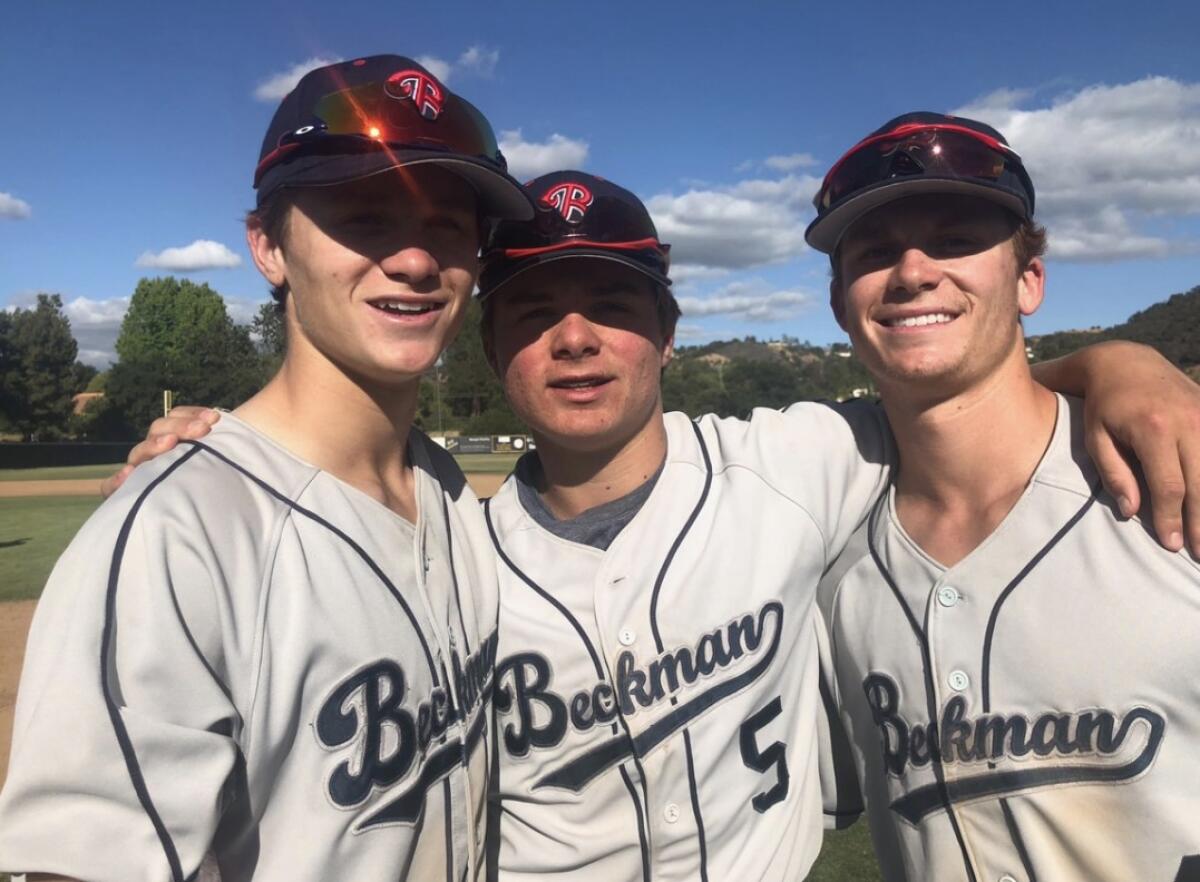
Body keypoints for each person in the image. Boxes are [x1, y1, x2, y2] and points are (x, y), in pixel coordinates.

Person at [107, 165, 1200, 882]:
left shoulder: (797, 462)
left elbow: (959, 377)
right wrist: (243, 444)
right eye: (535, 315)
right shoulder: (449, 548)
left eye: (614, 309)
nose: (576, 341)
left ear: (668, 338)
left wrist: (1125, 367)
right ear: (490, 355)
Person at [0, 55, 532, 882]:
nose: (418, 262)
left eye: (448, 226)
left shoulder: (453, 493)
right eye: (365, 215)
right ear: (268, 247)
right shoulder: (173, 537)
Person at [809, 112, 1200, 882]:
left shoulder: (1170, 472)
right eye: (875, 252)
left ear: (1030, 280)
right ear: (838, 305)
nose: (913, 271)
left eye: (955, 239)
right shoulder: (827, 550)